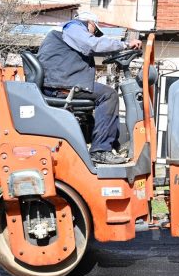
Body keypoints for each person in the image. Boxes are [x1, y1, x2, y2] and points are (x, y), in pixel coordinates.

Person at [37, 11, 142, 165]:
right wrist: (124, 44)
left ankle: (112, 145)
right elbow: (93, 44)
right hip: (61, 85)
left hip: (60, 82)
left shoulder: (67, 32)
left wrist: (116, 50)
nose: (93, 35)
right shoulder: (73, 27)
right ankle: (100, 151)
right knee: (109, 95)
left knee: (102, 97)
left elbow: (93, 45)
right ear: (90, 23)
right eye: (95, 31)